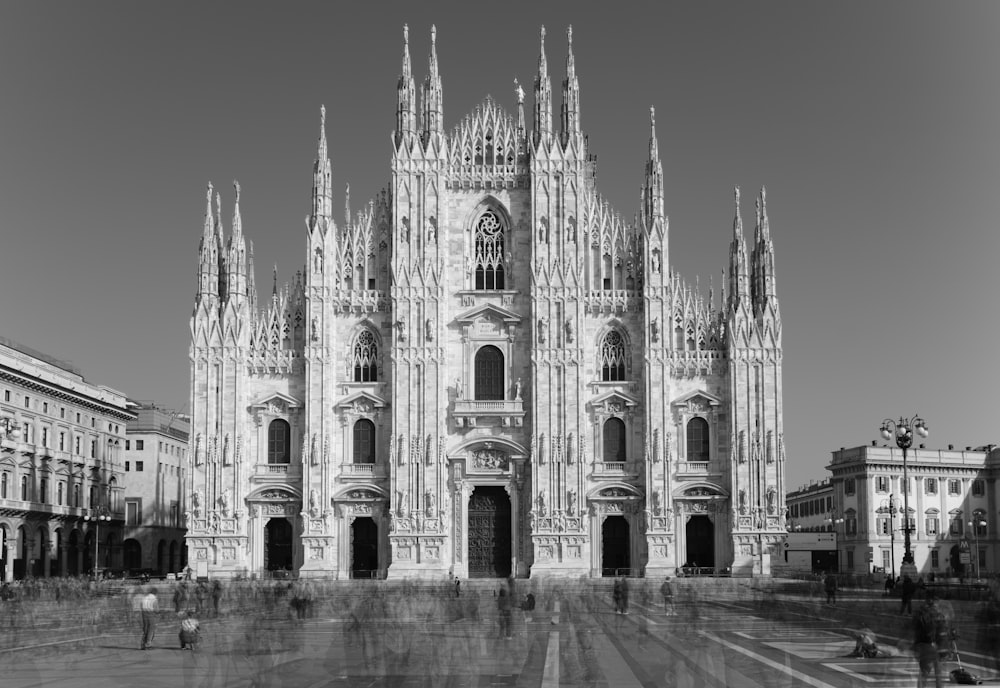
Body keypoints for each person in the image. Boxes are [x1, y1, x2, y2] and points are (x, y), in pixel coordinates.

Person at [913, 588, 945, 688]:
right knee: (931, 672)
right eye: (936, 600)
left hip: (926, 644)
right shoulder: (933, 612)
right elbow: (936, 628)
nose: (938, 602)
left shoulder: (921, 611)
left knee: (928, 672)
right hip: (930, 645)